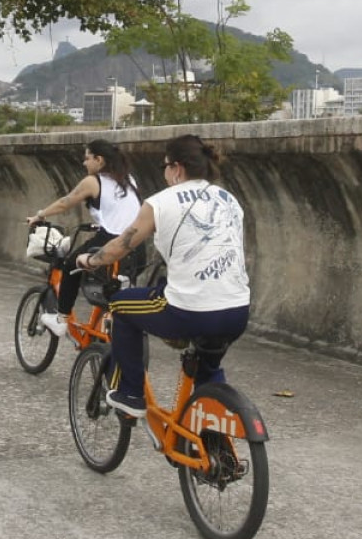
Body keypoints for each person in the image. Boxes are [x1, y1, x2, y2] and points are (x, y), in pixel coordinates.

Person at [74, 133, 249, 418]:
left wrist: (90, 260)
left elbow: (121, 245)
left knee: (120, 304)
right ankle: (213, 442)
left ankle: (130, 394)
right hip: (237, 311)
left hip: (189, 312)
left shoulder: (161, 201)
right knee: (208, 370)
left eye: (165, 167)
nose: (166, 173)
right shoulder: (229, 199)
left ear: (177, 168)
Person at [24, 138, 143, 336]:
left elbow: (65, 203)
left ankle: (61, 318)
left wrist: (39, 215)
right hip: (138, 247)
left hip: (111, 242)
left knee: (71, 265)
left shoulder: (93, 181)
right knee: (114, 290)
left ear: (99, 160)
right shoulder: (128, 179)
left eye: (87, 158)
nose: (84, 163)